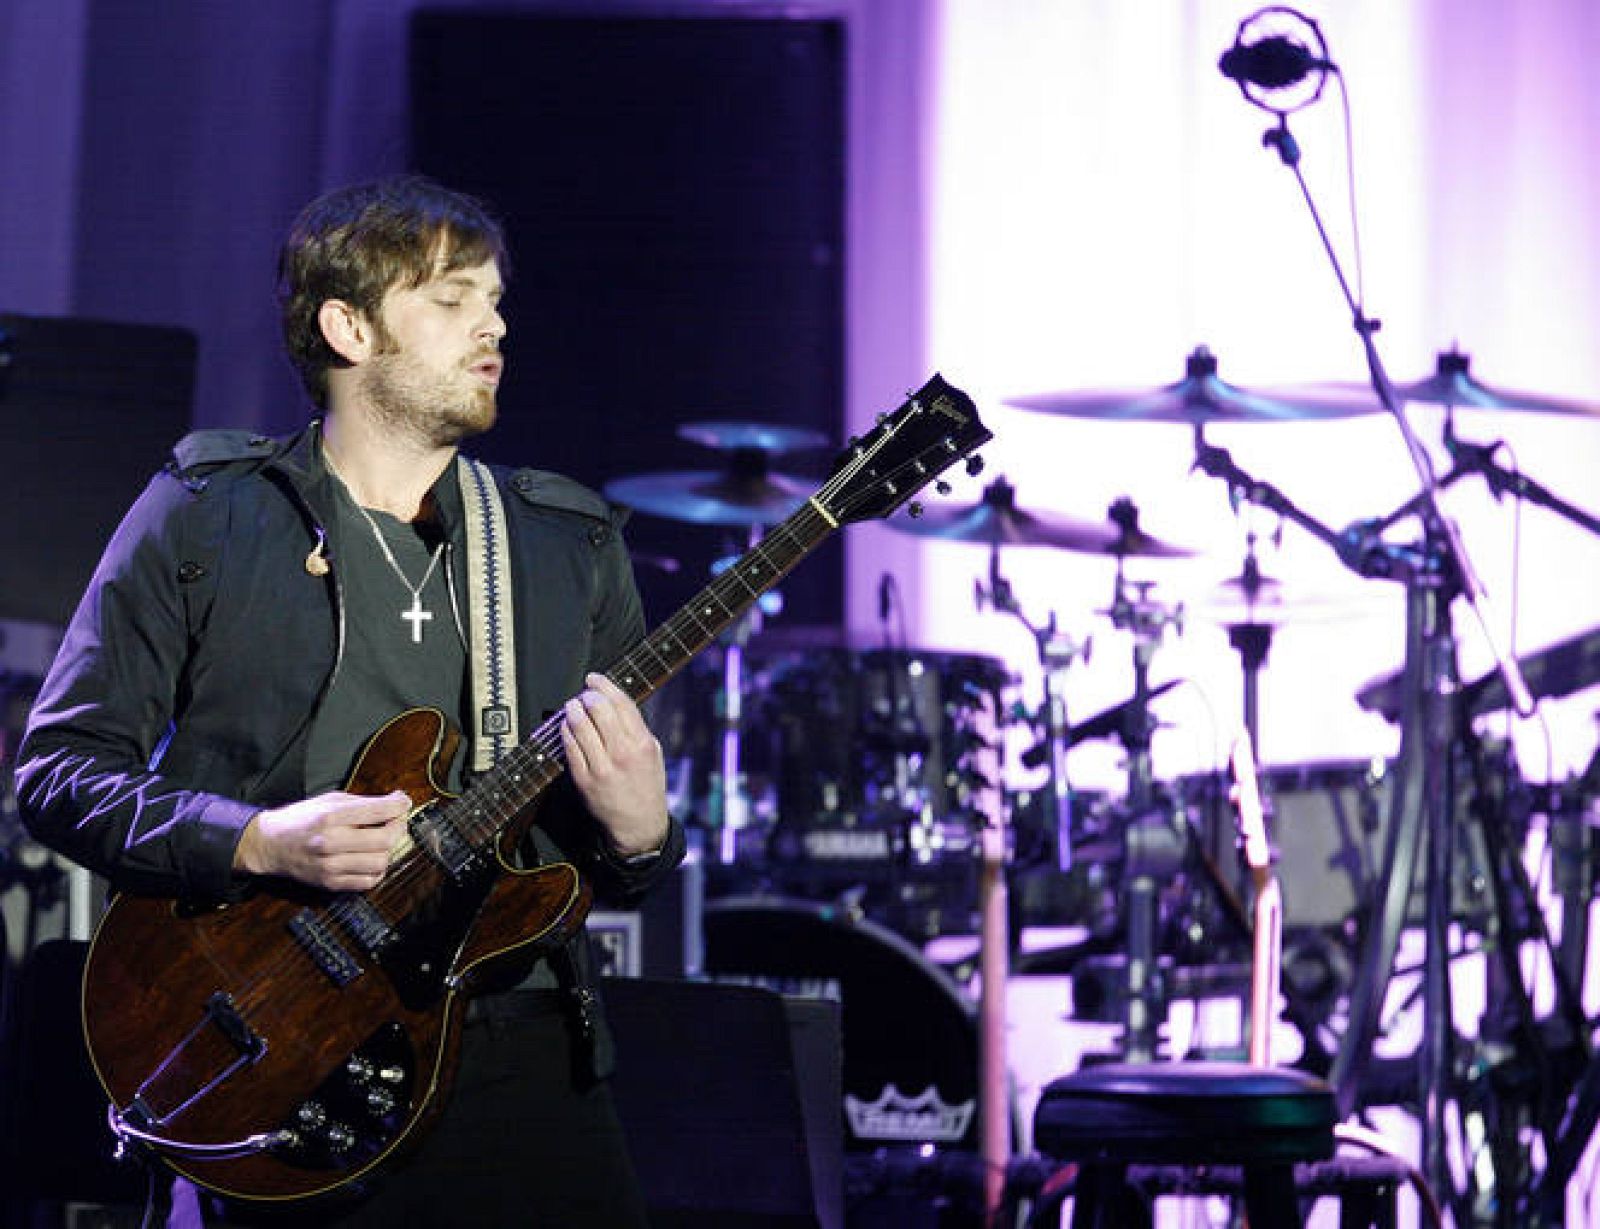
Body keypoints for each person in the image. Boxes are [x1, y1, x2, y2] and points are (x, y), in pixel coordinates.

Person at [15, 175, 685, 1226]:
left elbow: (604, 865)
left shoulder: (568, 543)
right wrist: (256, 839)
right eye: (452, 297)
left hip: (518, 1047)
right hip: (282, 1033)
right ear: (348, 326)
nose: (494, 322)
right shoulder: (204, 516)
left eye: (496, 298)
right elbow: (60, 772)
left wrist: (644, 832)